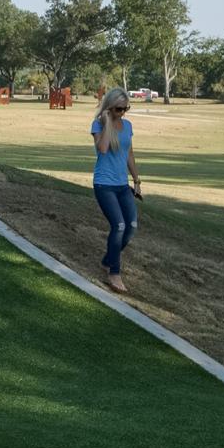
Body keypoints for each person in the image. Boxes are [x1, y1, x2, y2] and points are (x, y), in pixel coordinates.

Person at [89, 87, 143, 293]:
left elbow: (129, 153)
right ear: (110, 107)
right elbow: (102, 149)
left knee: (131, 226)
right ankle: (114, 272)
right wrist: (108, 122)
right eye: (119, 109)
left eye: (125, 108)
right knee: (118, 225)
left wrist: (137, 179)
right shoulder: (98, 124)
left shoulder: (128, 125)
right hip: (104, 184)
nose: (123, 113)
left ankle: (108, 259)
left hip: (122, 185)